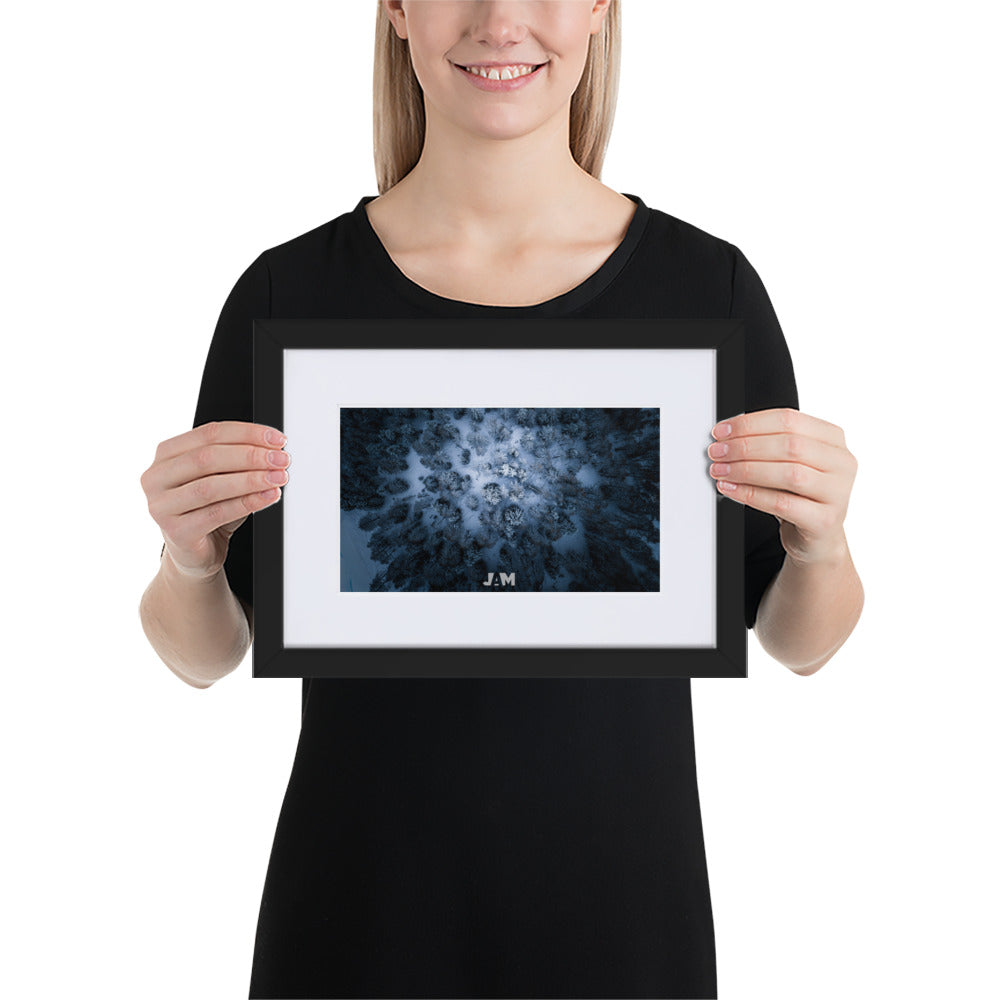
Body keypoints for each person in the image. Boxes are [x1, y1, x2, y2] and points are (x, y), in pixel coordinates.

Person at [139, 2, 864, 996]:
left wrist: (821, 544)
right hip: (357, 925)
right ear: (396, 10)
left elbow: (798, 639)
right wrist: (190, 557)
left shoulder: (707, 290)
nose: (500, 19)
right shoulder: (288, 295)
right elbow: (207, 652)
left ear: (602, 9)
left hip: (622, 928)